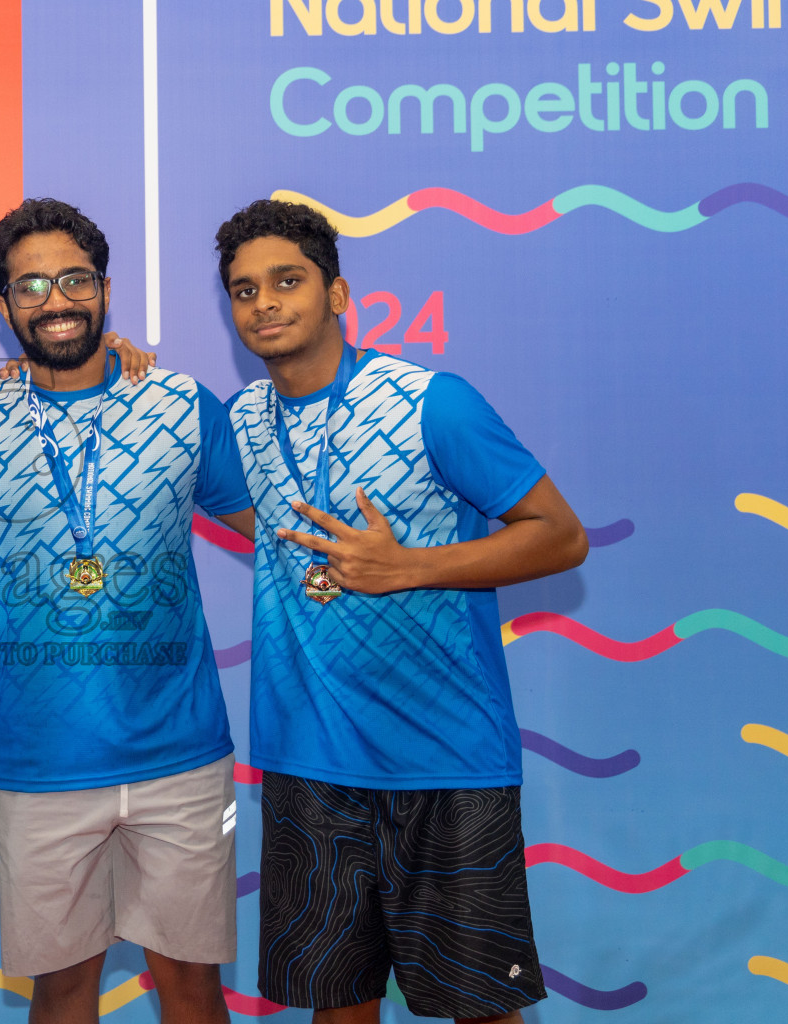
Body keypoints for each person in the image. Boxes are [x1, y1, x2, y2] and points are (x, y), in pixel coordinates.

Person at [216, 198, 589, 1024]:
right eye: (244, 290)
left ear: (337, 295)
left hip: (445, 762)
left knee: (482, 1009)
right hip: (308, 765)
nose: (266, 303)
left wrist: (408, 568)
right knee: (336, 1007)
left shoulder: (432, 402)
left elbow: (560, 538)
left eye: (288, 281)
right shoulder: (236, 422)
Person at [0, 198, 256, 1024]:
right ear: (4, 304)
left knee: (192, 990)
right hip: (37, 766)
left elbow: (282, 537)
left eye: (74, 278)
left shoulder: (182, 405)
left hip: (182, 758)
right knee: (63, 992)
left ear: (106, 289)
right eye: (31, 285)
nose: (56, 300)